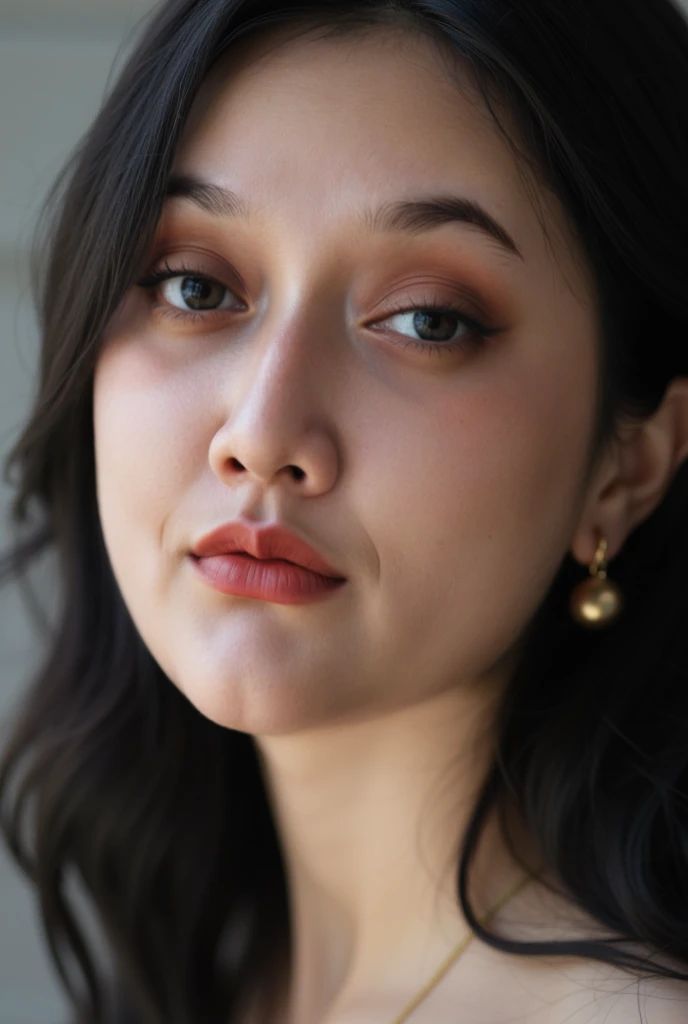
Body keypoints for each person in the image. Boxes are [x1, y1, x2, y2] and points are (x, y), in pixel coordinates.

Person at [2, 0, 688, 1021]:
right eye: (195, 287)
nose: (264, 431)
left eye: (427, 320)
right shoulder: (215, 974)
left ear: (623, 471)